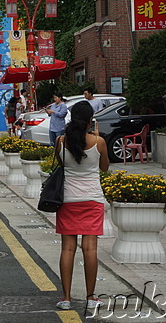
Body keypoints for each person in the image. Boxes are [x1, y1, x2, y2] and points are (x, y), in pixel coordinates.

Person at [54, 101, 110, 311]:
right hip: (92, 200)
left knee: (67, 249)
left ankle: (66, 298)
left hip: (67, 200)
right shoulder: (99, 142)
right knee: (90, 249)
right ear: (89, 120)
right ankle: (90, 297)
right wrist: (96, 135)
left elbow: (61, 165)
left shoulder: (61, 141)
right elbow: (104, 168)